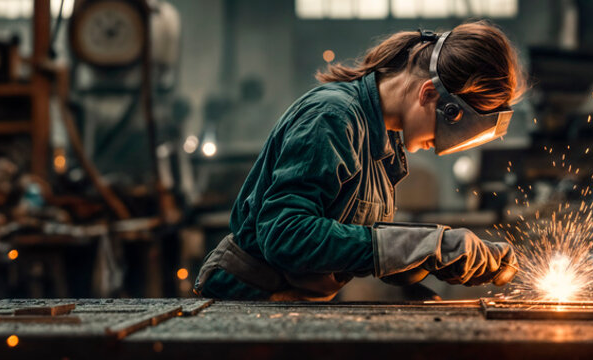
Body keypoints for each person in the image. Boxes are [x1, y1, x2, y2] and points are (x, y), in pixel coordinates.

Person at [194, 21, 526, 301]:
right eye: (444, 131)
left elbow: (354, 242)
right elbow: (285, 235)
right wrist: (427, 245)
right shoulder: (333, 116)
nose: (439, 146)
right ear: (428, 94)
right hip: (246, 296)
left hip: (291, 301)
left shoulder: (384, 139)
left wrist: (433, 261)